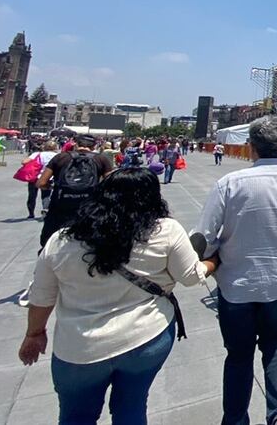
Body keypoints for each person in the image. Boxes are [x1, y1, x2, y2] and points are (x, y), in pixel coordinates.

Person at [18, 168, 218, 425]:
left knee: (75, 416)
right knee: (132, 406)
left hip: (78, 347)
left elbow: (41, 296)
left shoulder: (61, 240)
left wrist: (34, 333)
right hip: (145, 338)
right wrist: (213, 262)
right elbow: (191, 277)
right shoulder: (165, 230)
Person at [193, 116, 277, 425]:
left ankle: (235, 419)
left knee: (238, 356)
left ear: (251, 147)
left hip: (236, 287)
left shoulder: (230, 183)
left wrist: (207, 261)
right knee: (276, 344)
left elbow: (202, 237)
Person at [37, 135, 114, 251]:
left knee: (49, 242)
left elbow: (41, 183)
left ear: (76, 144)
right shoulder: (101, 159)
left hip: (61, 205)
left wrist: (54, 186)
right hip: (89, 206)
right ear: (94, 146)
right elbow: (111, 184)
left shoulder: (60, 157)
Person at [23, 140, 60, 218]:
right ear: (55, 147)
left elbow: (24, 162)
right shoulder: (57, 155)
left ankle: (31, 213)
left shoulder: (37, 154)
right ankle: (45, 209)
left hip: (35, 177)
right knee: (46, 195)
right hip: (48, 177)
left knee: (32, 195)